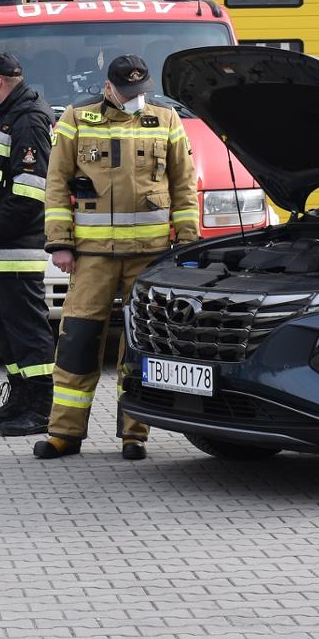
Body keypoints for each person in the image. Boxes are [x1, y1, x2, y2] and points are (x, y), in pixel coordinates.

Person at [37, 55, 199, 460]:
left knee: (140, 345)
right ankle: (65, 433)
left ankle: (134, 433)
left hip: (150, 257)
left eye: (140, 93)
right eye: (127, 93)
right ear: (108, 87)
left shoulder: (165, 120)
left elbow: (184, 185)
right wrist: (59, 242)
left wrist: (189, 244)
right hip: (92, 256)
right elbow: (55, 183)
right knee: (77, 340)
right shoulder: (76, 118)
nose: (135, 100)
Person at [0, 52, 56, 436]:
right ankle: (18, 400)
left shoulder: (29, 120)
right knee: (6, 333)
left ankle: (40, 408)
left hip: (17, 247)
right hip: (1, 250)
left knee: (29, 333)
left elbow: (29, 193)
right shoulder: (8, 117)